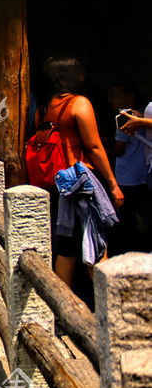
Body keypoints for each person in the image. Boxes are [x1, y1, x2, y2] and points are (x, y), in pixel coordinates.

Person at [37, 55, 123, 289]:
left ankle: (63, 310)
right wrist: (113, 184)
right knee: (95, 241)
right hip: (81, 182)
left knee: (66, 247)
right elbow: (94, 147)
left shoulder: (43, 107)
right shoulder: (79, 103)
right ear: (67, 75)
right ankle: (107, 307)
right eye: (78, 70)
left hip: (56, 182)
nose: (83, 73)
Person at [106, 82, 152, 255]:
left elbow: (119, 148)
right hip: (143, 173)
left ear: (130, 96)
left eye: (116, 95)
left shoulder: (124, 117)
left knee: (126, 218)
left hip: (127, 176)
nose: (112, 101)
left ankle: (128, 251)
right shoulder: (144, 113)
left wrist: (103, 150)